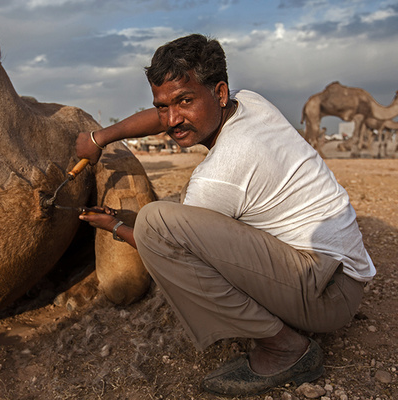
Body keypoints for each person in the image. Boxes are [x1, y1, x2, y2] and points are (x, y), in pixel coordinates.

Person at [75, 34, 375, 396]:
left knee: (157, 221)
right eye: (163, 106)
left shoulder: (221, 171)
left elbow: (164, 246)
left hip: (326, 296)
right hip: (339, 276)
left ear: (219, 93)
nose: (172, 120)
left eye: (184, 102)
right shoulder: (249, 103)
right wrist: (99, 138)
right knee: (171, 219)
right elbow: (168, 116)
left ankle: (285, 349)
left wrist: (116, 226)